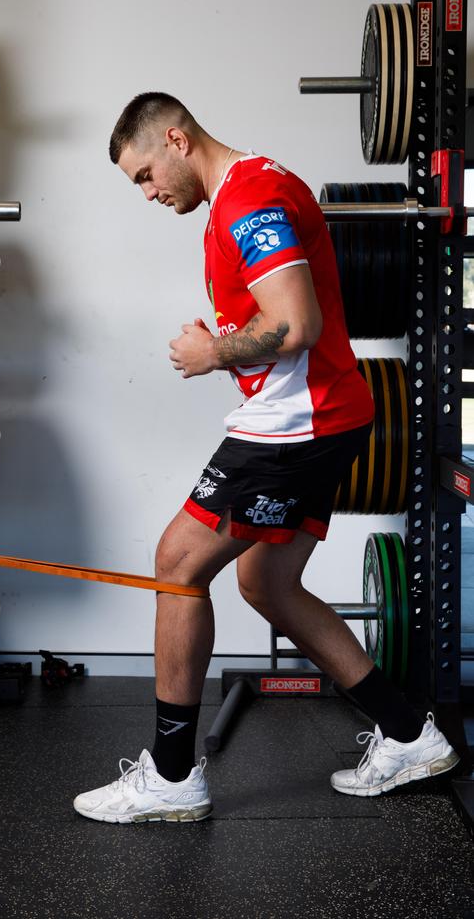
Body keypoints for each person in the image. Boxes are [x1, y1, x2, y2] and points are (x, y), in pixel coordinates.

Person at [73, 92, 459, 823]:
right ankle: (408, 735)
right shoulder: (244, 192)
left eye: (146, 175)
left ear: (177, 140)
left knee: (176, 565)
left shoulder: (249, 195)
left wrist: (211, 350)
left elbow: (296, 322)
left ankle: (174, 776)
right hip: (324, 417)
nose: (149, 193)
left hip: (294, 426)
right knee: (268, 585)